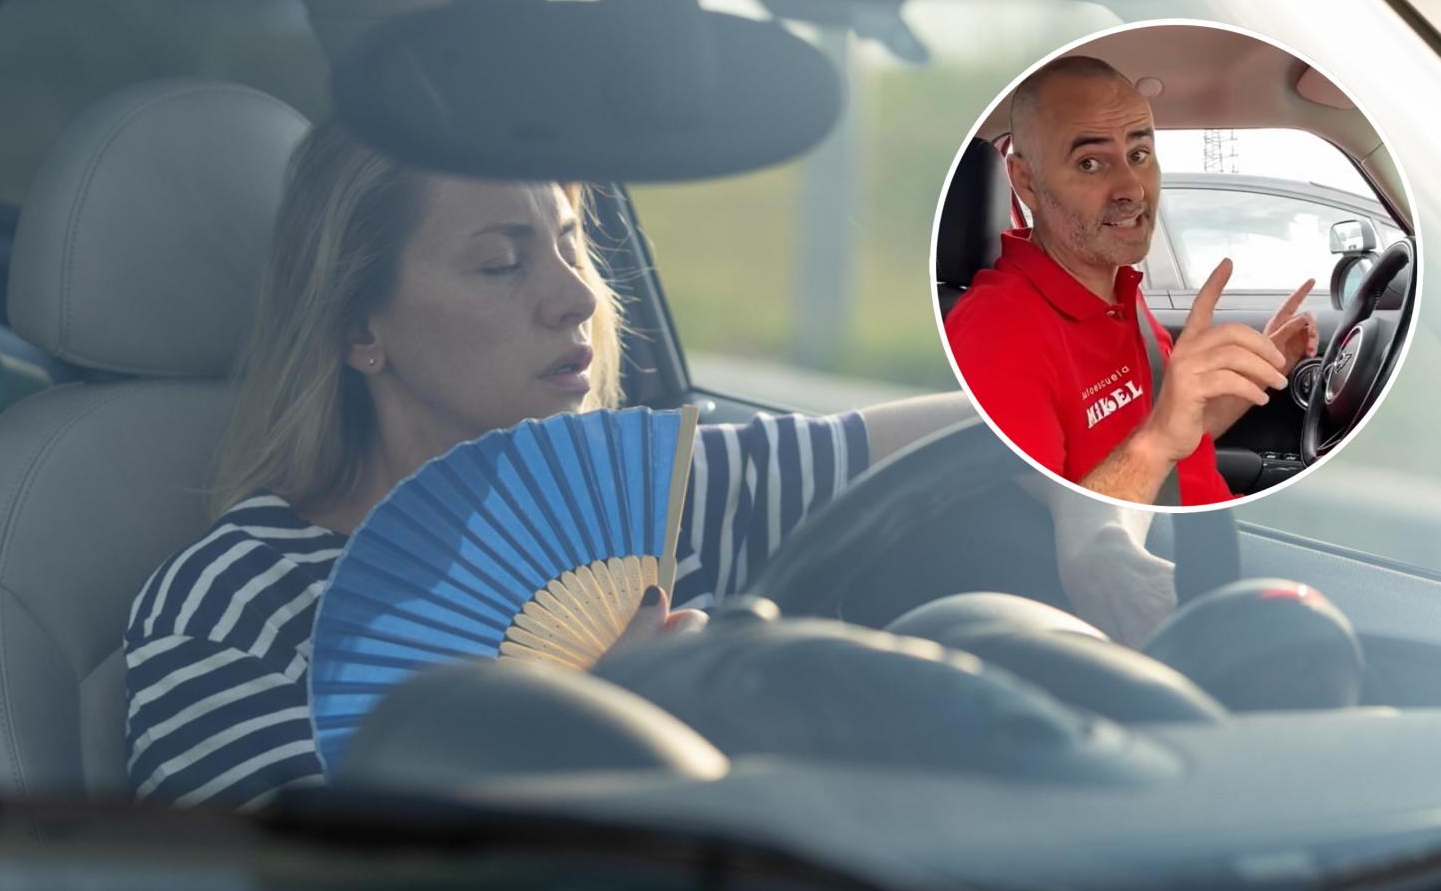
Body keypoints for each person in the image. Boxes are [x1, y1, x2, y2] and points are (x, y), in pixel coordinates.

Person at [123, 118, 1175, 811]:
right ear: (360, 329)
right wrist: (593, 718)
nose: (575, 297)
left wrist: (1092, 536)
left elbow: (1036, 414)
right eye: (499, 262)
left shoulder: (681, 494)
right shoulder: (232, 606)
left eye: (571, 243)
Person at [945, 56, 1319, 507]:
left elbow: (1181, 433)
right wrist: (1157, 441)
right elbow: (1045, 546)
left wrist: (1271, 362)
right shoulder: (996, 333)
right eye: (1089, 163)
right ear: (1026, 182)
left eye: (1139, 155)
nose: (1132, 188)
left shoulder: (1117, 285)